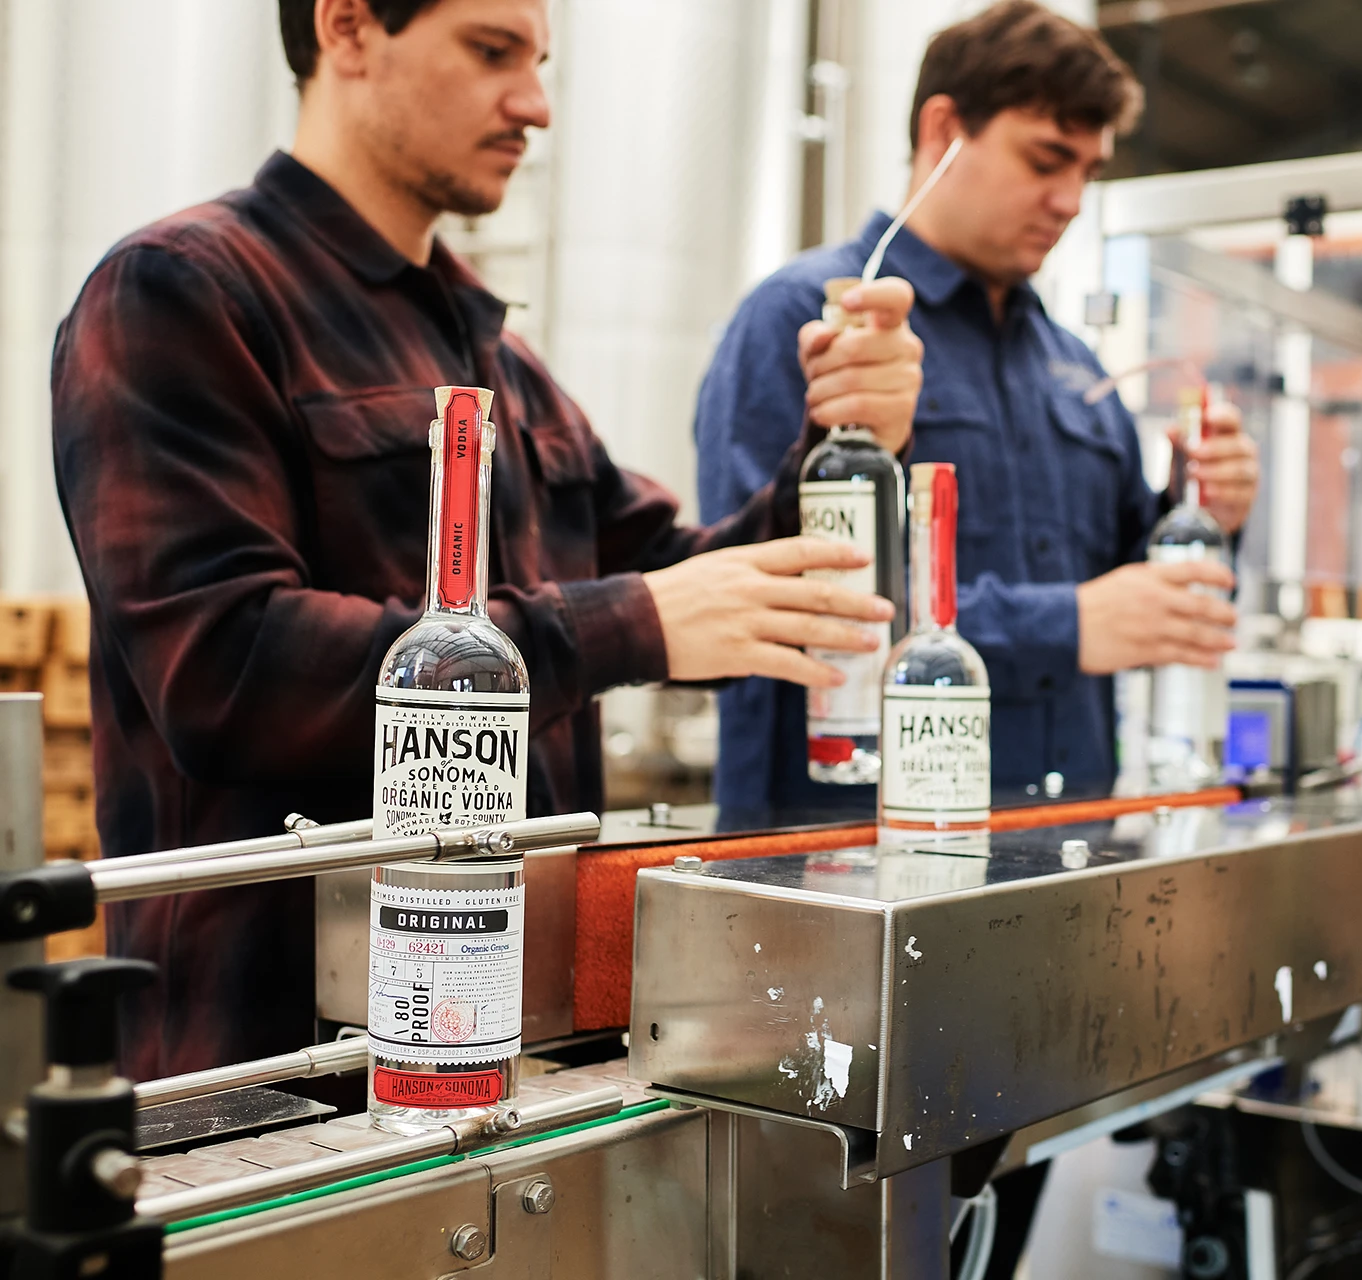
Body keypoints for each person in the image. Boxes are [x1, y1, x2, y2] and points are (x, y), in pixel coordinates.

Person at [50, 0, 923, 1078]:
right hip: (274, 1073)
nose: (537, 105)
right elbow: (225, 671)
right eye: (492, 50)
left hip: (513, 1041)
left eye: (541, 62)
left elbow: (684, 577)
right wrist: (623, 625)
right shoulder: (181, 293)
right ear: (349, 29)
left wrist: (839, 445)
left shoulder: (501, 358)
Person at [696, 0, 1260, 814]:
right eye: (1046, 159)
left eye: (1088, 172)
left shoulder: (1074, 366)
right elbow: (768, 600)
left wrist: (1204, 511)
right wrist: (1070, 626)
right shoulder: (808, 320)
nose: (1070, 199)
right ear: (942, 130)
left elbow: (1127, 587)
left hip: (1063, 849)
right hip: (842, 856)